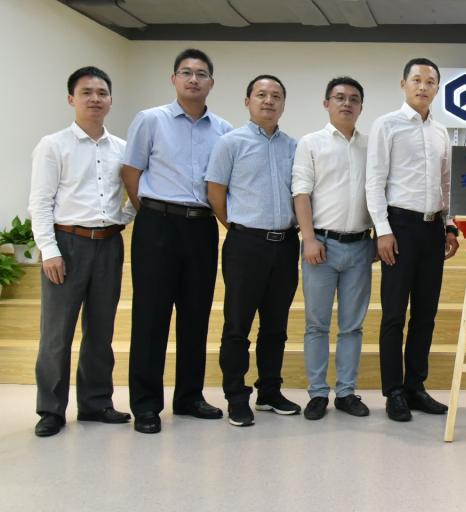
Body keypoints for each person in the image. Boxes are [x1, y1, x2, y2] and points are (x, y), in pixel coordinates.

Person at [121, 48, 232, 434]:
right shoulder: (150, 119)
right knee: (150, 317)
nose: (193, 79)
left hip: (201, 227)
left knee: (195, 316)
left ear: (211, 83)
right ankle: (146, 404)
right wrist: (152, 212)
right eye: (186, 72)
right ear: (174, 79)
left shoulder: (223, 129)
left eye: (201, 74)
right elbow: (131, 172)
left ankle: (189, 397)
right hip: (158, 225)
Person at [29, 66, 135, 437]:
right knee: (57, 334)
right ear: (71, 99)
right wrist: (49, 250)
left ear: (111, 100)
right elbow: (40, 202)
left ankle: (95, 403)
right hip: (67, 244)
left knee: (100, 331)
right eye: (86, 92)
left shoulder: (121, 148)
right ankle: (51, 409)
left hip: (108, 244)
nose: (95, 99)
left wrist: (123, 218)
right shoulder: (53, 145)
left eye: (102, 93)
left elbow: (135, 194)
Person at [366, 58, 460, 422]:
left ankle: (415, 387)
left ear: (437, 88)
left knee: (425, 314)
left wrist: (449, 226)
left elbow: (446, 183)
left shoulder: (441, 132)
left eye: (430, 81)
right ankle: (393, 392)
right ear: (403, 83)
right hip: (399, 227)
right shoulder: (386, 125)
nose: (423, 86)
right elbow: (374, 181)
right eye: (416, 80)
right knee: (394, 314)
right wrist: (383, 230)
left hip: (432, 229)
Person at [206, 75, 300, 427]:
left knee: (276, 326)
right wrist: (238, 227)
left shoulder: (293, 146)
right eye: (261, 94)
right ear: (247, 101)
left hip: (286, 244)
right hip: (245, 244)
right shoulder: (230, 143)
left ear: (284, 104)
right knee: (237, 325)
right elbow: (215, 192)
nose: (268, 101)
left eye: (276, 95)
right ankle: (236, 396)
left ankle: (269, 392)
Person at [292, 77, 374, 421]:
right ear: (327, 103)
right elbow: (301, 192)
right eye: (339, 97)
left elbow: (380, 193)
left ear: (361, 107)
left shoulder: (371, 145)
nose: (347, 103)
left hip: (360, 246)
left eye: (354, 99)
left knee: (352, 326)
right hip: (320, 247)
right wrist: (309, 238)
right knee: (317, 325)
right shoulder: (310, 143)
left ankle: (346, 392)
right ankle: (317, 393)